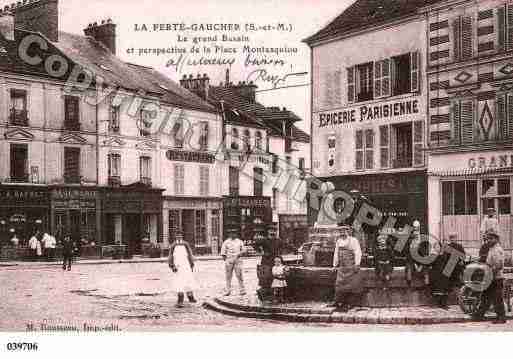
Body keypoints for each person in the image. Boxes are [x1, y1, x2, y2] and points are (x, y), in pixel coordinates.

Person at [473, 231, 507, 324]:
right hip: (491, 276)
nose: (489, 240)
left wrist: (490, 274)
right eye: (488, 239)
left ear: (496, 239)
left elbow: (499, 265)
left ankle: (501, 317)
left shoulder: (497, 249)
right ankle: (479, 315)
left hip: (496, 278)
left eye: (491, 238)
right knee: (485, 297)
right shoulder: (492, 248)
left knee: (497, 298)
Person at [429, 232, 466, 309]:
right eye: (452, 238)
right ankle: (447, 302)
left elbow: (462, 257)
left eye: (454, 237)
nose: (453, 239)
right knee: (448, 286)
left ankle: (458, 300)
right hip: (450, 268)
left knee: (453, 285)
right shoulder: (449, 247)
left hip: (453, 268)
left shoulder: (456, 246)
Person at [333, 225, 363, 312]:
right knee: (339, 284)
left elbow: (358, 252)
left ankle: (350, 303)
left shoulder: (353, 240)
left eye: (344, 230)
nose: (342, 232)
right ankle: (338, 302)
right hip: (342, 267)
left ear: (348, 231)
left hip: (351, 266)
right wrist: (335, 265)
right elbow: (336, 253)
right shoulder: (338, 241)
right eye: (341, 231)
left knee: (352, 285)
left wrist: (357, 264)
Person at [168, 230, 197, 308]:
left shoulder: (186, 244)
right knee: (179, 282)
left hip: (186, 265)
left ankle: (190, 296)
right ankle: (180, 299)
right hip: (178, 266)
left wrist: (191, 263)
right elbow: (170, 256)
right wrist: (172, 265)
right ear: (175, 236)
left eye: (180, 235)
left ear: (182, 236)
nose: (179, 237)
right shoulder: (173, 245)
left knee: (188, 280)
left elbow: (190, 254)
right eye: (177, 235)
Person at [253, 226, 281, 301]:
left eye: (274, 231)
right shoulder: (264, 240)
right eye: (271, 231)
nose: (273, 232)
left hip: (276, 261)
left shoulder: (278, 240)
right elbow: (255, 245)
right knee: (266, 278)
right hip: (266, 261)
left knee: (276, 277)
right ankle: (265, 294)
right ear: (268, 231)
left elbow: (286, 245)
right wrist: (261, 251)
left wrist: (296, 249)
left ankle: (273, 294)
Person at [220, 228, 246, 296]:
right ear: (229, 234)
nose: (233, 235)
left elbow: (244, 250)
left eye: (234, 233)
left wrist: (240, 254)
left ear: (236, 234)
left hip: (238, 260)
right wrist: (226, 261)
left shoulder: (240, 241)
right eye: (231, 233)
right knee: (228, 276)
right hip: (229, 260)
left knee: (239, 275)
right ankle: (228, 290)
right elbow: (223, 253)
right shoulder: (226, 242)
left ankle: (242, 290)